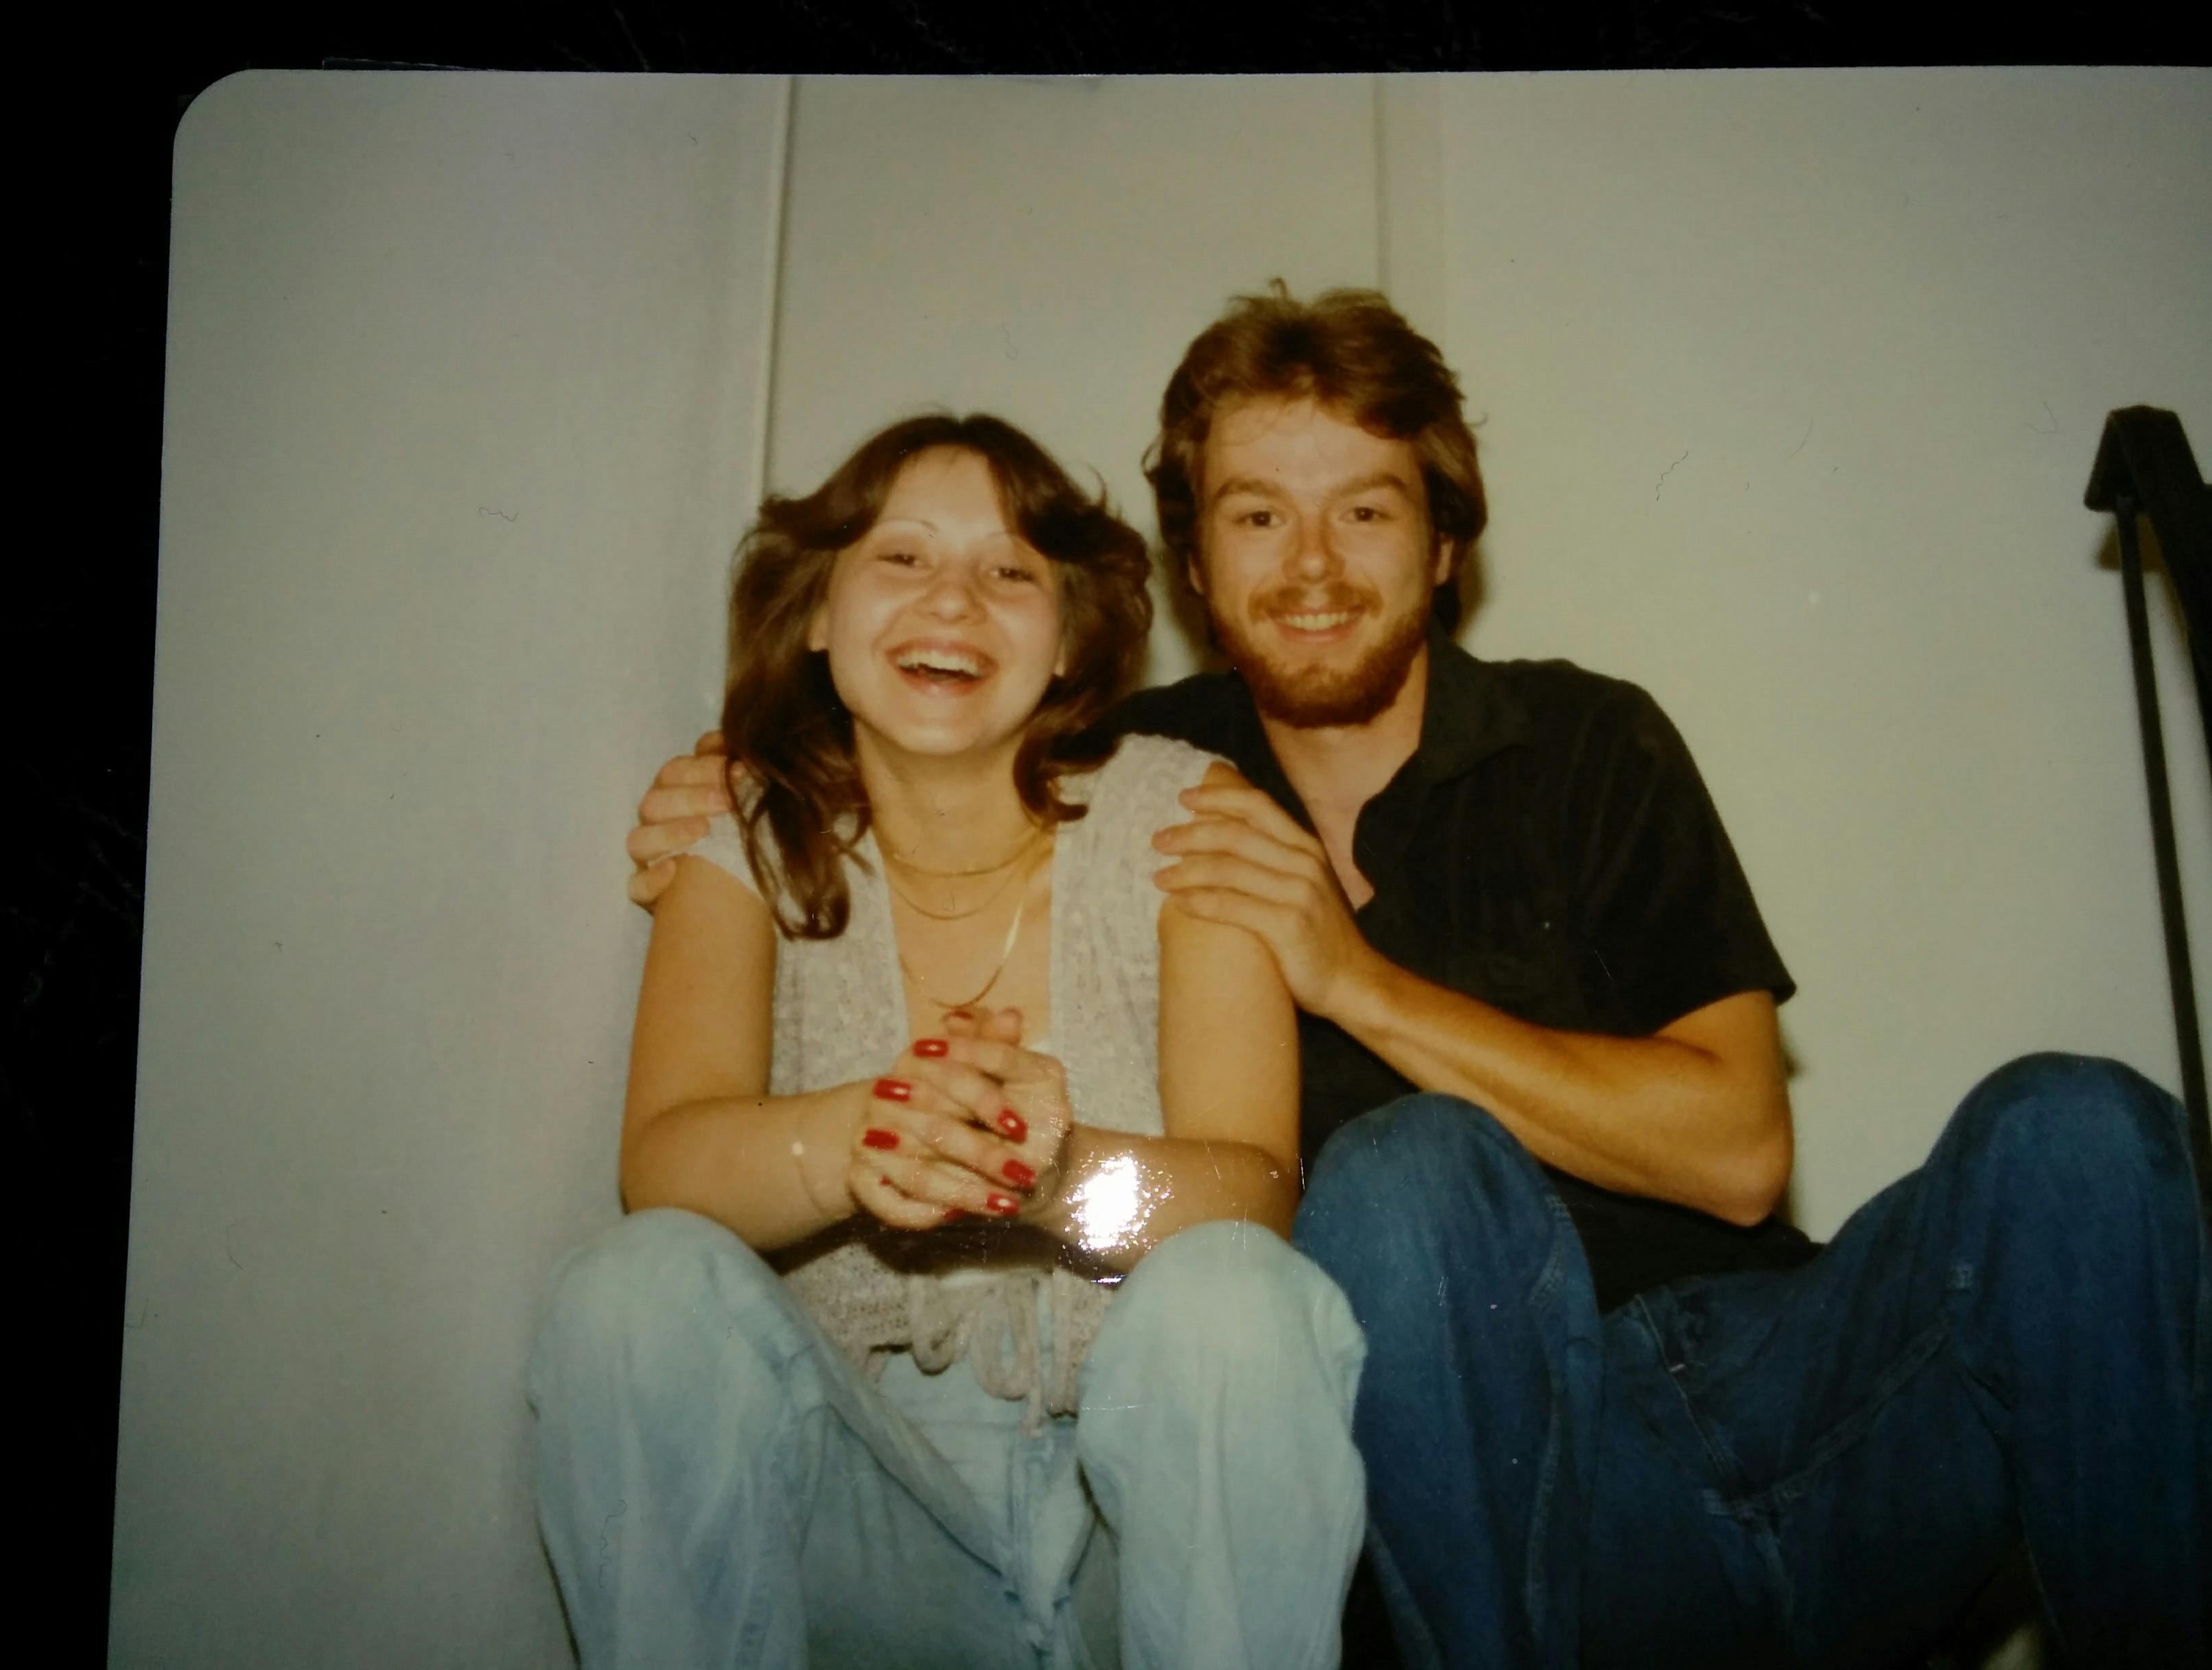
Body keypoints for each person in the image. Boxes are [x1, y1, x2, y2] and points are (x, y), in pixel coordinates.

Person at [626, 289, 2209, 1667]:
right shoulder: (1138, 777)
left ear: (1444, 544)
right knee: (1403, 1179)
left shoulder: (1590, 738)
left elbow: (1741, 1154)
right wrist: (746, 776)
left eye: (1367, 511)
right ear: (1189, 561)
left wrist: (1354, 977)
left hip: (1777, 1382)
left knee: (2075, 1128)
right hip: (1464, 1489)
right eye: (1256, 515)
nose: (1312, 564)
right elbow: (937, 739)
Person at [531, 412, 1369, 1670]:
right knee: (630, 1293)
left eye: (1011, 571)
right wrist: (861, 1138)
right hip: (860, 1505)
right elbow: (663, 1160)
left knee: (1240, 1302)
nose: (955, 602)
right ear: (816, 612)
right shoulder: (741, 833)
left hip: (1136, 1507)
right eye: (904, 558)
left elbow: (1255, 1189)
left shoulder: (1186, 816)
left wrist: (1066, 1175)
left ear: (1072, 635)